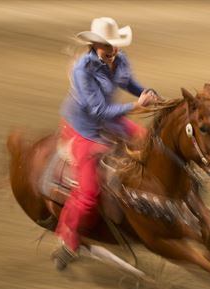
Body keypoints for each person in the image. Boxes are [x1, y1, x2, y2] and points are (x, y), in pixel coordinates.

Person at [53, 17, 158, 269]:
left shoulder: (120, 59)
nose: (113, 52)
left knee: (151, 145)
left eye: (115, 46)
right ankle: (68, 239)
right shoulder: (82, 71)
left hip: (112, 120)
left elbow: (129, 83)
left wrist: (148, 93)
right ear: (95, 45)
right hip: (85, 130)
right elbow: (98, 110)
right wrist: (136, 105)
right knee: (89, 193)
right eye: (107, 47)